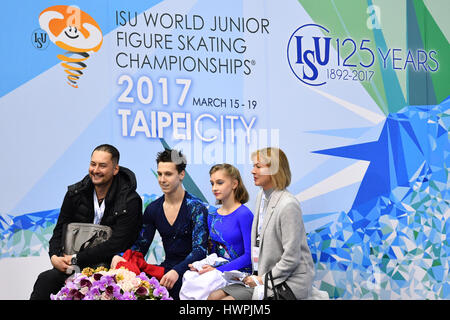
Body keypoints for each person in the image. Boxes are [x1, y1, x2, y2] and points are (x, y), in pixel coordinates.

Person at [30, 144, 143, 300]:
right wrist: (54, 257)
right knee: (45, 280)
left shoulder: (130, 200)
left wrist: (77, 258)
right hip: (74, 266)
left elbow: (117, 243)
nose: (95, 170)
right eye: (93, 164)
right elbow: (59, 231)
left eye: (102, 166)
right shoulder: (74, 193)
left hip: (109, 268)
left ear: (115, 169)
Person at [208, 147, 315, 300]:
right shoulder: (261, 197)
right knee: (213, 296)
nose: (252, 171)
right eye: (253, 166)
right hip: (262, 276)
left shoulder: (288, 204)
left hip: (287, 282)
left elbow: (291, 258)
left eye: (258, 166)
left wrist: (262, 280)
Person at [111, 149, 209, 300]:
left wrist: (177, 271)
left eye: (168, 174)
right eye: (160, 174)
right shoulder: (153, 209)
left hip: (193, 273)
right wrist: (121, 257)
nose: (162, 179)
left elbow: (200, 250)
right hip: (166, 271)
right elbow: (140, 246)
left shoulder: (196, 207)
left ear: (181, 175)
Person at [179, 164, 253, 299]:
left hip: (240, 275)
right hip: (218, 273)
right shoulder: (212, 215)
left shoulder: (244, 214)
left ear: (234, 184)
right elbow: (213, 253)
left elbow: (249, 256)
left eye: (220, 183)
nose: (214, 188)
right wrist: (203, 266)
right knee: (190, 279)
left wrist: (217, 270)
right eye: (212, 183)